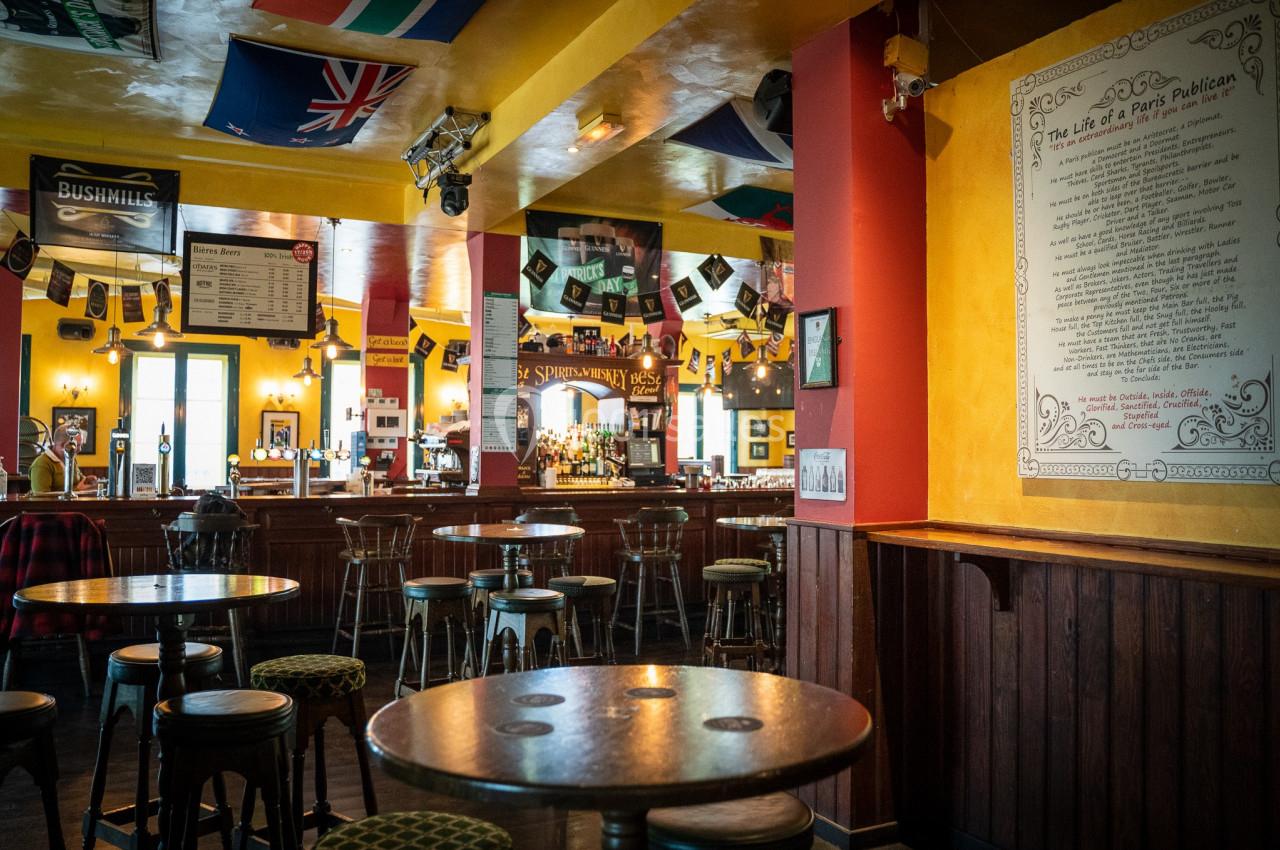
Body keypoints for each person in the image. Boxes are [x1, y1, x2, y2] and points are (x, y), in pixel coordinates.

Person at [29, 424, 98, 494]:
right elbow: (40, 499)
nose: (80, 449)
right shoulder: (41, 464)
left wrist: (86, 480)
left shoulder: (70, 458)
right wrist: (77, 490)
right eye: (77, 445)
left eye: (81, 445)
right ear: (62, 445)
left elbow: (78, 480)